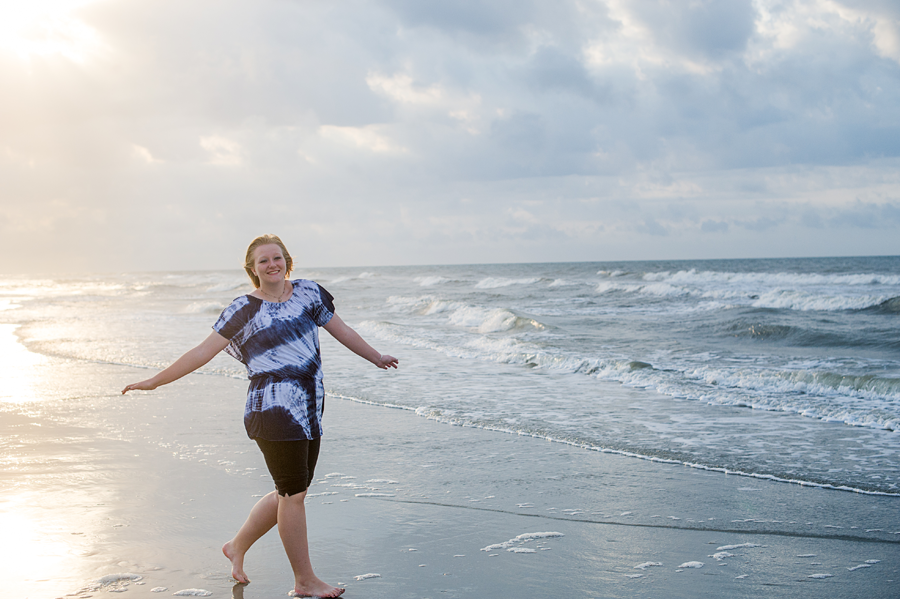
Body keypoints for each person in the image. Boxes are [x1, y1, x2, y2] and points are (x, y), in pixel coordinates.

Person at [122, 234, 398, 598]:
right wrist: (156, 381)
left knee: (291, 492)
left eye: (277, 258)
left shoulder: (308, 294)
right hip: (271, 408)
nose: (272, 265)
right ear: (252, 269)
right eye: (263, 261)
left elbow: (341, 330)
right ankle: (304, 581)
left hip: (309, 405)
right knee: (293, 495)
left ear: (287, 261)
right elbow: (203, 351)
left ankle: (236, 546)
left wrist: (375, 356)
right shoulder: (244, 309)